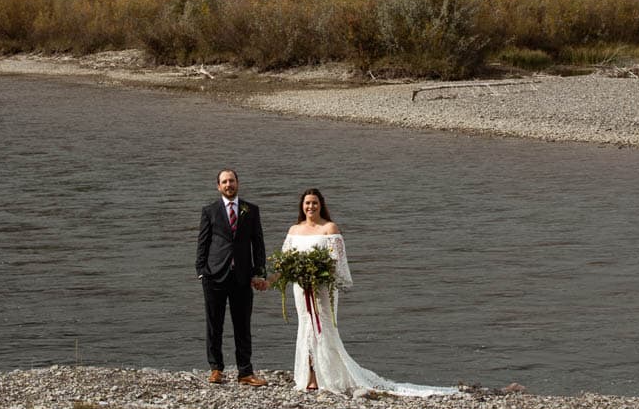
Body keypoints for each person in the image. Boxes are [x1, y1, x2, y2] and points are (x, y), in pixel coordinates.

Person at [279, 189, 457, 396]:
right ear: (302, 205)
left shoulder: (329, 228)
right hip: (301, 288)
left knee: (323, 327)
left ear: (321, 204)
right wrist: (277, 279)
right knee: (306, 326)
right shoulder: (294, 230)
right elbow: (285, 261)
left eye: (315, 203)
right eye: (307, 203)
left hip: (323, 287)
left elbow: (337, 260)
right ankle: (309, 375)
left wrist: (319, 275)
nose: (311, 207)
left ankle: (326, 375)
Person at [195, 168, 269, 386]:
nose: (229, 185)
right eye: (224, 182)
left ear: (238, 183)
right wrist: (201, 271)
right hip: (214, 276)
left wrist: (259, 272)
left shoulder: (251, 210)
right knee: (214, 324)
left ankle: (245, 372)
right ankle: (216, 369)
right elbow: (203, 243)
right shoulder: (209, 211)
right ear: (218, 186)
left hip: (242, 277)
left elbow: (258, 243)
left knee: (242, 325)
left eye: (232, 181)